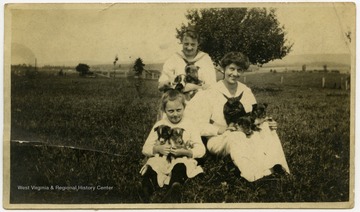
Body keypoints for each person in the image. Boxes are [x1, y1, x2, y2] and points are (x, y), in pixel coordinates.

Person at [185, 52, 290, 182]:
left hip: (246, 132)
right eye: (232, 69)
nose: (235, 74)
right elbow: (196, 124)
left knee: (267, 129)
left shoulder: (245, 91)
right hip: (219, 139)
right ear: (224, 68)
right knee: (237, 136)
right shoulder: (210, 92)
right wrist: (221, 129)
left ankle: (275, 170)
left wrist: (266, 122)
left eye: (239, 70)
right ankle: (254, 177)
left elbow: (253, 117)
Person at [139, 89, 206, 203]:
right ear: (164, 110)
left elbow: (201, 150)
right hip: (162, 159)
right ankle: (146, 188)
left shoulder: (190, 124)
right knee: (154, 165)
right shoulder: (160, 124)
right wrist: (157, 149)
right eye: (171, 111)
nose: (175, 114)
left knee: (180, 166)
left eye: (179, 110)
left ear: (184, 107)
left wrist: (185, 152)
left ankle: (174, 188)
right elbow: (145, 148)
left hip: (182, 158)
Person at [158, 25, 217, 95]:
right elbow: (161, 85)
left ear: (198, 43)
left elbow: (212, 86)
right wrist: (169, 82)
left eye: (193, 44)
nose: (189, 48)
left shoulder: (205, 59)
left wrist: (194, 87)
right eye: (186, 44)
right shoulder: (174, 58)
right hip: (178, 100)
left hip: (200, 99)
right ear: (182, 42)